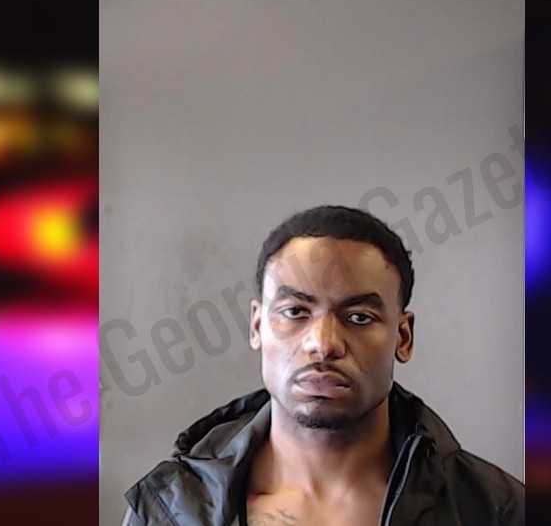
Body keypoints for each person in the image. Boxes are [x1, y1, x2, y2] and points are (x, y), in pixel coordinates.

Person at [123, 205, 524, 525]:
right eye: (295, 311)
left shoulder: (495, 510)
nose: (323, 343)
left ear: (403, 337)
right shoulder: (169, 509)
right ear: (257, 326)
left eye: (359, 317)